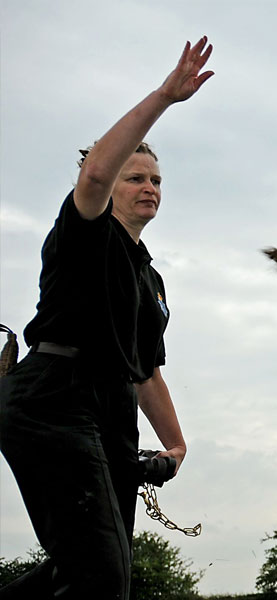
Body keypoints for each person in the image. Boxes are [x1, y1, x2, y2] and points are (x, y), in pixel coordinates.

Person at [0, 36, 214, 599]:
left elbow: (146, 372)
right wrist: (166, 96)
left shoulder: (151, 281)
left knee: (86, 569)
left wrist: (176, 445)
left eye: (156, 180)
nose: (149, 187)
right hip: (52, 398)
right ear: (112, 185)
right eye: (136, 177)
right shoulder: (86, 231)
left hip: (111, 407)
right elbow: (94, 174)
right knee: (102, 579)